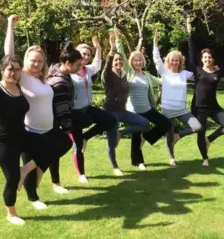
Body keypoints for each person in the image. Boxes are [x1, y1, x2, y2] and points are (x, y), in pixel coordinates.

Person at [0, 55, 50, 225]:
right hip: (3, 142)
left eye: (17, 69)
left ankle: (24, 170)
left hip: (21, 135)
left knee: (51, 146)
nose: (14, 72)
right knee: (12, 179)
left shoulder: (19, 87)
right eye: (10, 69)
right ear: (2, 70)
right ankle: (11, 213)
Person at [4, 15, 72, 209]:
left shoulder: (43, 78)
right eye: (33, 60)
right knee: (35, 167)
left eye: (40, 61)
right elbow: (9, 54)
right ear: (26, 60)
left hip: (50, 129)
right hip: (31, 130)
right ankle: (33, 198)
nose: (36, 64)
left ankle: (24, 170)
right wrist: (10, 25)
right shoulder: (23, 77)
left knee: (65, 143)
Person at [115, 30, 171, 170]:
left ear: (143, 61)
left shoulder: (147, 75)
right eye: (135, 60)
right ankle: (138, 162)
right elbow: (121, 53)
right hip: (133, 111)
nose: (138, 62)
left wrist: (172, 73)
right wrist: (118, 39)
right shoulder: (129, 72)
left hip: (147, 109)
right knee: (135, 136)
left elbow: (161, 80)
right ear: (131, 62)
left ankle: (146, 137)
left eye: (140, 59)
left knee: (166, 124)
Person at [101, 30, 151, 176]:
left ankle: (121, 133)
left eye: (120, 60)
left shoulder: (124, 75)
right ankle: (115, 166)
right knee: (111, 143)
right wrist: (112, 51)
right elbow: (106, 66)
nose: (118, 62)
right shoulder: (108, 75)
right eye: (116, 61)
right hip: (110, 113)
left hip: (122, 111)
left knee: (145, 123)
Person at [187, 19, 224, 166]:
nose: (207, 59)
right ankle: (205, 158)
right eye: (205, 57)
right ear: (202, 59)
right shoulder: (197, 70)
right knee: (200, 132)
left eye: (209, 57)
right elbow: (191, 51)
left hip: (214, 107)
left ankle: (210, 139)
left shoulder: (218, 72)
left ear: (212, 59)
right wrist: (190, 34)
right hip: (198, 107)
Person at [153, 29, 203, 166]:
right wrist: (155, 44)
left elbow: (201, 75)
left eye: (177, 60)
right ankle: (171, 157)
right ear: (169, 61)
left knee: (197, 126)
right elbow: (156, 59)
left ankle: (178, 136)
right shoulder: (164, 72)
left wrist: (211, 68)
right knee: (169, 134)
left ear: (180, 62)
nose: (174, 62)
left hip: (182, 110)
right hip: (167, 110)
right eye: (172, 60)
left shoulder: (185, 74)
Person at [70, 38, 117, 183]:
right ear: (76, 54)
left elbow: (97, 63)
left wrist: (98, 48)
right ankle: (81, 174)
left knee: (110, 120)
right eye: (83, 54)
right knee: (77, 145)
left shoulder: (88, 70)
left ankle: (86, 137)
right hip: (74, 112)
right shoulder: (69, 71)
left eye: (88, 55)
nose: (85, 57)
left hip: (87, 108)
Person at [46, 42, 83, 187]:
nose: (80, 67)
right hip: (54, 121)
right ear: (68, 63)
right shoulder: (60, 82)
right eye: (78, 65)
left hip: (57, 118)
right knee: (57, 149)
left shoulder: (61, 72)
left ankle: (55, 181)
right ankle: (55, 182)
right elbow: (62, 108)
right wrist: (67, 128)